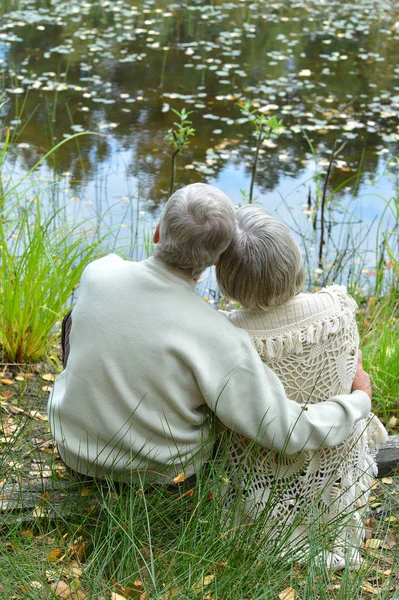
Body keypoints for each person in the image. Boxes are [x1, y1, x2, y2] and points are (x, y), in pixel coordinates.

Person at [48, 183, 372, 488]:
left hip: (75, 453)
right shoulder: (217, 334)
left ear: (158, 232)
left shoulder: (98, 272)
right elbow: (285, 430)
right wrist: (358, 402)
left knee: (73, 319)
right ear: (216, 260)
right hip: (160, 478)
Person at [216, 204, 387, 569]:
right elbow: (353, 371)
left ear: (227, 278)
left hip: (262, 467)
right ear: (293, 262)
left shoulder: (225, 334)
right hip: (333, 456)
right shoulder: (336, 309)